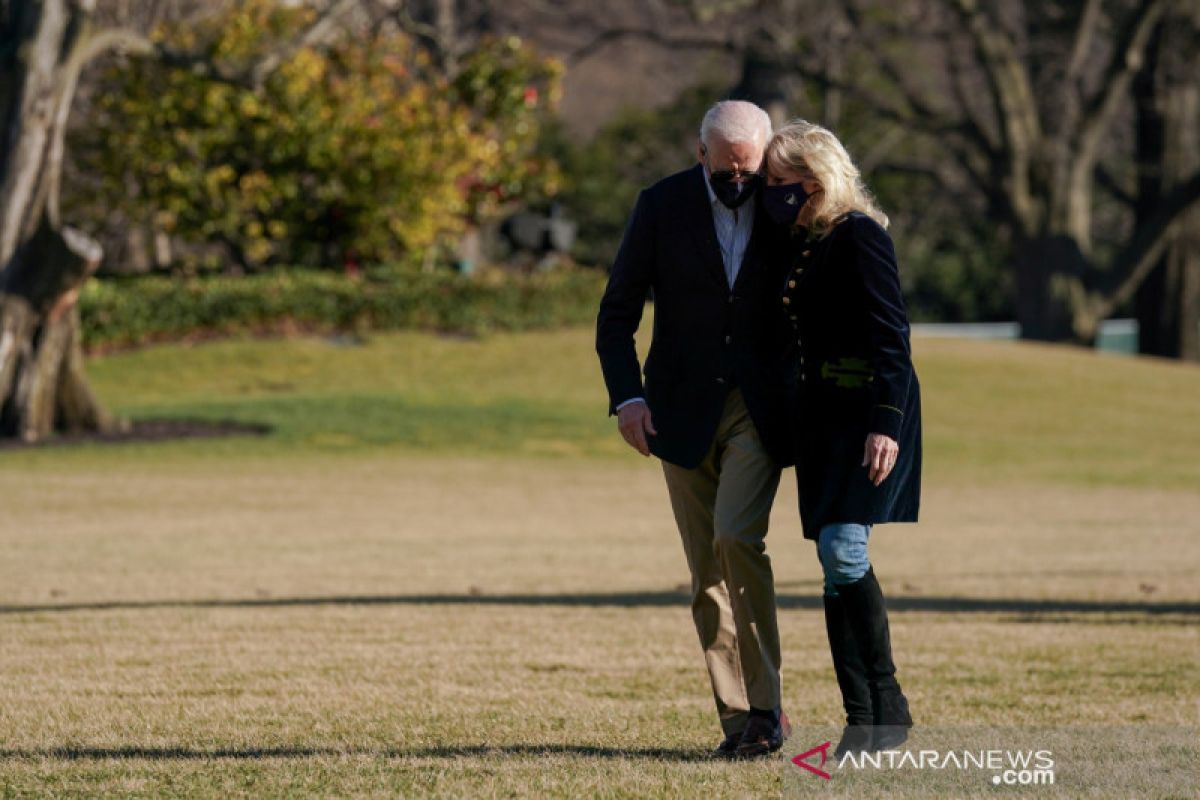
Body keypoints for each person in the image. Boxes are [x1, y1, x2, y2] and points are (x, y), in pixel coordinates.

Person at [595, 100, 793, 758]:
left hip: (757, 407)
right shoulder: (661, 205)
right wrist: (627, 399)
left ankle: (769, 707)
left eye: (751, 171)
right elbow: (617, 309)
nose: (739, 184)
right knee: (705, 572)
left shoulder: (787, 201)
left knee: (738, 536)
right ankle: (740, 723)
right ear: (700, 153)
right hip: (678, 411)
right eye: (726, 171)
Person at [761, 119, 922, 756]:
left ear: (813, 180)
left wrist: (887, 423)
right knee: (833, 565)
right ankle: (870, 716)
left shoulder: (859, 236)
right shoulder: (804, 243)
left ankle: (883, 708)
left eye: (779, 183)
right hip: (822, 423)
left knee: (845, 552)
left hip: (866, 419)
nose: (771, 194)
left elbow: (893, 338)